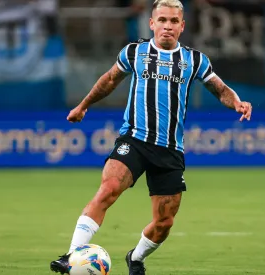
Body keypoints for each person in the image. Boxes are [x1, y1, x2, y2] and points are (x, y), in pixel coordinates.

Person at [50, 1, 252, 274]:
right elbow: (109, 80)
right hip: (134, 139)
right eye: (162, 20)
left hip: (169, 149)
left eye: (173, 21)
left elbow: (219, 88)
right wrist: (83, 105)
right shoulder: (135, 52)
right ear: (151, 23)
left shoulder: (194, 60)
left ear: (182, 26)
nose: (167, 26)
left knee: (164, 223)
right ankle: (71, 256)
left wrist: (237, 103)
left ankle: (136, 257)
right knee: (108, 189)